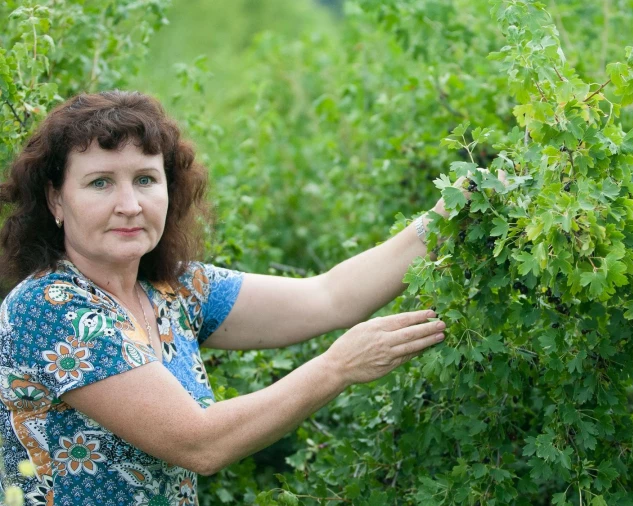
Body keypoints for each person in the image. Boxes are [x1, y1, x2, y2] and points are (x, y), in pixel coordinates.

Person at [0, 91, 500, 505]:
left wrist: (445, 216)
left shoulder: (176, 290)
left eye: (146, 180)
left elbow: (329, 297)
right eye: (100, 183)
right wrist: (338, 367)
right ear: (55, 200)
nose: (129, 205)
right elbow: (199, 442)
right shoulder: (50, 308)